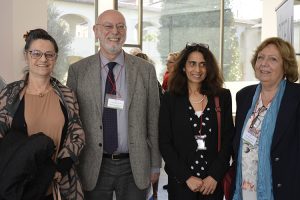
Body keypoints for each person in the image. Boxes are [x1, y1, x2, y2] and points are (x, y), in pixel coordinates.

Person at [67, 9, 161, 200]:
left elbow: (154, 120)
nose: (115, 31)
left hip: (134, 165)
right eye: (108, 26)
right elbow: (72, 121)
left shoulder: (146, 70)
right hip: (93, 164)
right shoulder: (78, 71)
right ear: (95, 30)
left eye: (121, 26)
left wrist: (155, 164)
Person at [0, 29, 85, 200]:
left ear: (55, 58)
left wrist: (58, 170)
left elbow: (77, 135)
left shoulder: (67, 95)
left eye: (49, 54)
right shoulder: (9, 94)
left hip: (58, 186)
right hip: (18, 188)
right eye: (36, 53)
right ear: (27, 55)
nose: (43, 59)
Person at [159, 43, 234, 200]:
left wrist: (214, 176)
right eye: (192, 64)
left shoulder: (222, 96)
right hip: (181, 184)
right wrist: (186, 177)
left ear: (209, 68)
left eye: (203, 65)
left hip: (212, 185)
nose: (197, 70)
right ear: (184, 67)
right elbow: (164, 142)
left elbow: (228, 139)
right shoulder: (170, 99)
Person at [232, 37, 300, 200]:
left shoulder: (296, 97)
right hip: (246, 188)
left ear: (286, 66)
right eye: (260, 57)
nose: (264, 63)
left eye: (273, 59)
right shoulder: (244, 96)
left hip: (284, 189)